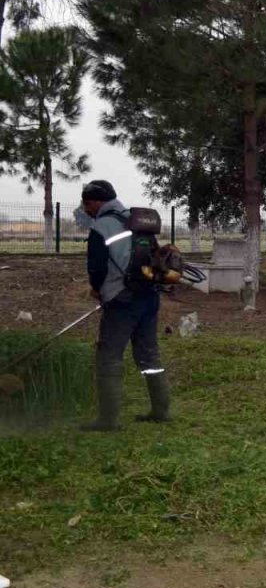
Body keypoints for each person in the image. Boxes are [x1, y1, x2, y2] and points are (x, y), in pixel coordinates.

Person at [79, 180, 171, 431]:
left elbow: (96, 268)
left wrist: (98, 289)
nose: (86, 209)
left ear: (97, 202)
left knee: (109, 357)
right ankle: (161, 410)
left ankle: (107, 420)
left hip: (121, 300)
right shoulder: (137, 219)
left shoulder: (101, 226)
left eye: (87, 204)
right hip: (149, 296)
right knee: (148, 354)